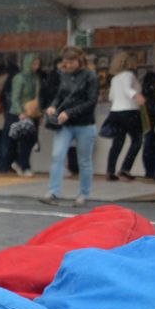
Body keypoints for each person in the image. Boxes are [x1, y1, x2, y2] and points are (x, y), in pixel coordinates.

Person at [41, 46, 99, 207]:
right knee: (57, 155)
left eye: (71, 62)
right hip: (65, 123)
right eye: (65, 62)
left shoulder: (90, 76)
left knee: (84, 160)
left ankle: (83, 193)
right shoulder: (64, 76)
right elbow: (60, 96)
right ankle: (53, 191)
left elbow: (91, 101)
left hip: (84, 123)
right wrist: (53, 106)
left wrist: (70, 113)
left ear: (79, 60)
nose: (68, 65)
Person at [101, 50, 143, 182]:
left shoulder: (114, 78)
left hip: (115, 112)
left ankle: (110, 170)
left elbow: (111, 96)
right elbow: (127, 89)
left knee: (118, 142)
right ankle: (125, 168)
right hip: (130, 111)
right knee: (137, 140)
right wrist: (136, 95)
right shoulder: (129, 75)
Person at [8, 55, 42, 174]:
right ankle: (24, 165)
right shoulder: (19, 78)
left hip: (32, 112)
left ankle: (20, 163)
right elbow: (15, 97)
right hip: (21, 112)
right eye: (34, 64)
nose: (36, 67)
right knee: (25, 140)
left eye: (38, 64)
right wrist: (21, 112)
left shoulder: (35, 78)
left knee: (31, 139)